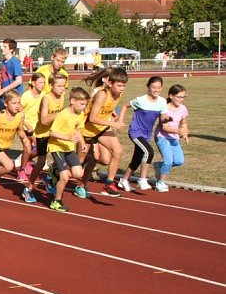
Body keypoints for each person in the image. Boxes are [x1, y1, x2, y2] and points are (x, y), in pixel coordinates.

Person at [78, 66, 129, 198]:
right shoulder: (101, 94)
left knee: (117, 151)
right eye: (119, 85)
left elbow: (108, 109)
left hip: (101, 129)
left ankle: (108, 184)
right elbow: (92, 118)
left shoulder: (118, 94)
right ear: (110, 83)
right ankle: (54, 171)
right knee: (78, 165)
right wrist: (112, 123)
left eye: (124, 86)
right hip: (87, 130)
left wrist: (114, 115)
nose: (122, 88)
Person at [117, 76, 168, 192]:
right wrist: (120, 120)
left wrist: (167, 120)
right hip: (135, 132)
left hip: (146, 134)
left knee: (137, 158)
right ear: (148, 87)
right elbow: (125, 105)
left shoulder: (162, 102)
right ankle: (142, 179)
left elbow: (162, 119)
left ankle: (124, 180)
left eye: (158, 88)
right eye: (153, 87)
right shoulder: (140, 100)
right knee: (149, 152)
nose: (156, 90)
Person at [22, 73, 67, 203]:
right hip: (42, 134)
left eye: (64, 86)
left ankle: (51, 174)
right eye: (59, 86)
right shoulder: (46, 98)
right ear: (51, 86)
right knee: (41, 162)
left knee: (64, 156)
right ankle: (29, 188)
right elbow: (44, 120)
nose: (62, 88)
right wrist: (59, 114)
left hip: (55, 133)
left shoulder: (62, 96)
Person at [46, 87, 89, 212]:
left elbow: (77, 130)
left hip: (69, 148)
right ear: (72, 101)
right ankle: (56, 201)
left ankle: (54, 172)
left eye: (85, 105)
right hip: (57, 147)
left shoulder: (80, 114)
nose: (83, 107)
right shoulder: (63, 115)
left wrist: (83, 143)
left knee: (78, 174)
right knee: (64, 177)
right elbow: (52, 132)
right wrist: (67, 137)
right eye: (81, 104)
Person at [154, 84, 189, 192]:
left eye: (183, 97)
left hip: (174, 138)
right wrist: (177, 131)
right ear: (171, 96)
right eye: (179, 97)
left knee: (179, 161)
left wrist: (185, 133)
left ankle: (158, 165)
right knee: (168, 161)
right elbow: (164, 127)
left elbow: (184, 122)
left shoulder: (183, 108)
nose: (181, 100)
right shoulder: (164, 109)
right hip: (162, 137)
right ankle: (160, 183)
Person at [18, 73, 46, 183]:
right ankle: (21, 170)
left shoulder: (44, 95)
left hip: (37, 127)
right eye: (40, 82)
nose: (43, 85)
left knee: (39, 150)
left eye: (44, 82)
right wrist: (26, 124)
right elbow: (18, 112)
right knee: (28, 148)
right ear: (33, 83)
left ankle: (26, 161)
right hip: (24, 125)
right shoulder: (26, 96)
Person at [0, 38, 24, 111]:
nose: (2, 48)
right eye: (2, 46)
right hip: (5, 95)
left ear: (11, 49)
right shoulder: (4, 62)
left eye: (5, 47)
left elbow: (18, 81)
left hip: (14, 95)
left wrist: (3, 90)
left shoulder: (14, 62)